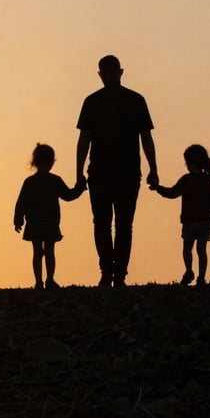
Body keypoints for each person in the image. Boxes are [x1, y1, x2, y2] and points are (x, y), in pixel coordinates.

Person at [75, 54, 158, 287]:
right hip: (99, 173)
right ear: (100, 75)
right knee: (101, 223)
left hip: (128, 173)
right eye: (105, 74)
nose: (109, 78)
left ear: (121, 73)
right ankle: (106, 271)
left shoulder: (136, 101)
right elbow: (84, 139)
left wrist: (154, 169)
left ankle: (119, 274)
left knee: (123, 225)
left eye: (113, 73)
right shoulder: (91, 102)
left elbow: (146, 137)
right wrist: (79, 172)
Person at [13, 143, 84, 289]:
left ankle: (39, 281)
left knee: (37, 252)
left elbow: (21, 203)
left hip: (34, 222)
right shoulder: (55, 180)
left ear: (35, 162)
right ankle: (49, 279)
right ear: (51, 162)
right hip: (50, 222)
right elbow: (68, 195)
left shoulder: (30, 182)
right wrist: (79, 189)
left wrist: (18, 219)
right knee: (49, 251)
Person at [154, 143, 210, 286]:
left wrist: (158, 189)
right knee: (201, 250)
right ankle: (201, 277)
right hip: (204, 221)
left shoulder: (186, 180)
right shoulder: (209, 182)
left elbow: (172, 193)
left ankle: (189, 271)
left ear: (190, 162)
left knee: (187, 249)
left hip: (190, 222)